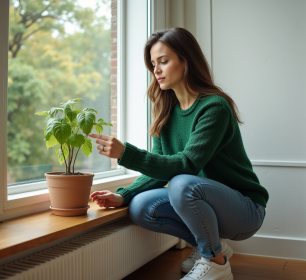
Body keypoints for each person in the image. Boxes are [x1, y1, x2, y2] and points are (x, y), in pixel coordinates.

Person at [88, 27, 269, 280]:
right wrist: (124, 195)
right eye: (153, 63)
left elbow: (187, 164)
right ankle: (212, 246)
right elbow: (159, 169)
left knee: (182, 183)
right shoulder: (166, 111)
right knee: (140, 206)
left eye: (163, 61)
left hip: (245, 210)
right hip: (207, 204)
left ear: (186, 61)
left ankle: (215, 262)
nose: (156, 70)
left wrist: (126, 153)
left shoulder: (214, 107)